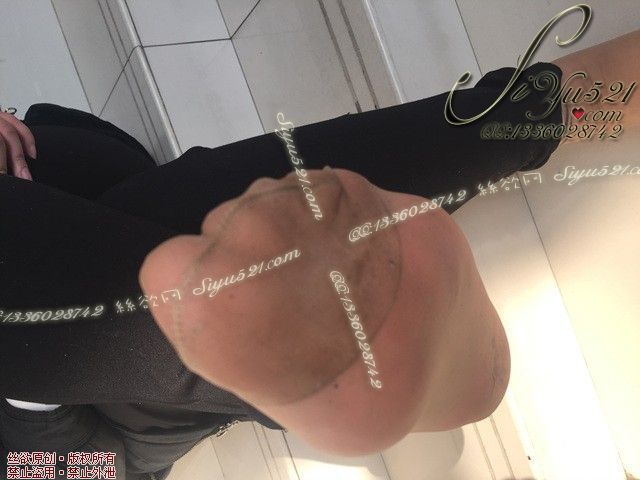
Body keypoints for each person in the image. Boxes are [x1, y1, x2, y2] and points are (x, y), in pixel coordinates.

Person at [1, 26, 638, 478]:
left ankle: (337, 357)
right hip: (84, 424)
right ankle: (539, 109)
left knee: (216, 290)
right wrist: (29, 400)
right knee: (181, 264)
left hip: (49, 186)